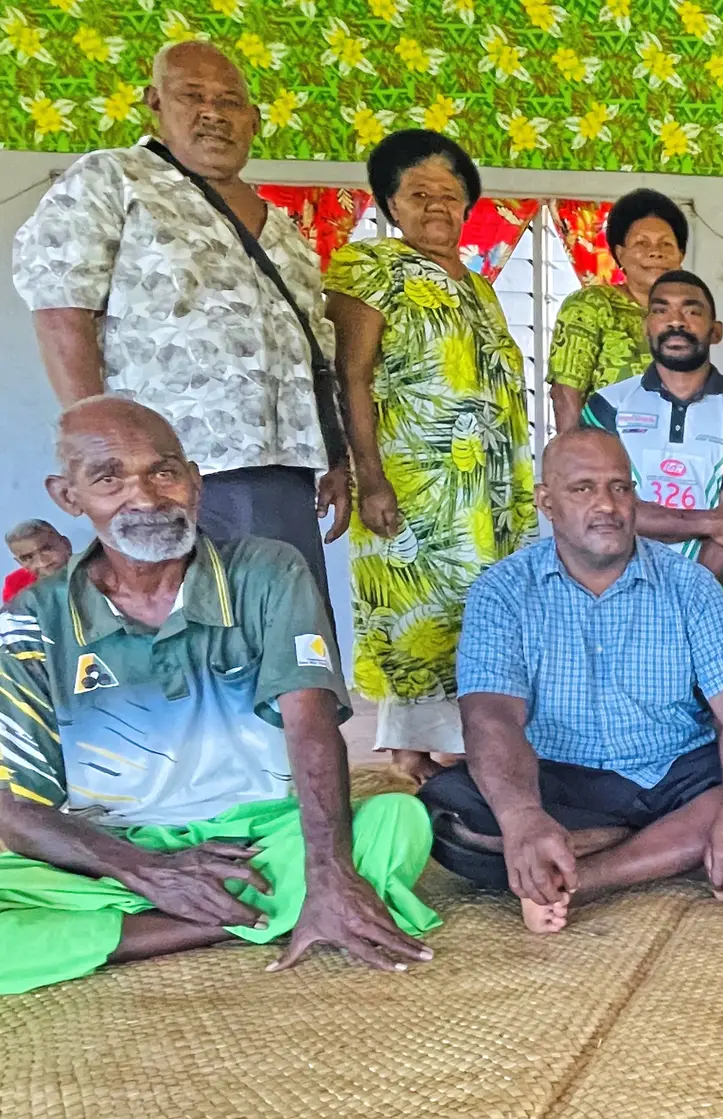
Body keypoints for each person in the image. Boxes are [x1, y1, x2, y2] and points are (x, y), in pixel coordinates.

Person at [0, 397, 438, 995]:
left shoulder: (266, 572)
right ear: (68, 497)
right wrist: (152, 872)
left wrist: (327, 868)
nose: (148, 498)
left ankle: (148, 929)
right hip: (116, 852)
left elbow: (311, 724)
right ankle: (232, 921)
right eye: (109, 479)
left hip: (260, 836)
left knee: (398, 820)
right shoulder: (31, 619)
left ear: (195, 482)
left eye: (163, 471)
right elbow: (15, 809)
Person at [418, 428, 723, 934]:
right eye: (583, 488)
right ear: (547, 502)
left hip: (679, 771)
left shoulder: (690, 584)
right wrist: (523, 814)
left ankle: (585, 874)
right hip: (562, 779)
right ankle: (671, 843)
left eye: (620, 487)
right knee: (448, 818)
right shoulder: (502, 590)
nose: (607, 505)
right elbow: (490, 717)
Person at [13, 42, 350, 599]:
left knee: (290, 630)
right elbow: (61, 310)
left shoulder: (284, 226)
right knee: (192, 630)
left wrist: (335, 458)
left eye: (230, 101)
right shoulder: (112, 179)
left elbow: (315, 349)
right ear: (155, 103)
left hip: (284, 471)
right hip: (167, 474)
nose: (213, 113)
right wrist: (102, 455)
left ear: (254, 120)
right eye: (192, 96)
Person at [325, 129, 537, 785]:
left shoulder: (480, 286)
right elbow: (350, 374)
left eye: (451, 195)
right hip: (415, 484)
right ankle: (413, 754)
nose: (438, 207)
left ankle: (477, 739)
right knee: (417, 616)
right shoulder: (367, 269)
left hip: (491, 490)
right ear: (390, 202)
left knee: (484, 611)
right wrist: (370, 476)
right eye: (419, 193)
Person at [580, 269, 723, 638]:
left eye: (691, 311)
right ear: (647, 326)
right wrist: (707, 520)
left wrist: (680, 607)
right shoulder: (606, 408)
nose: (676, 321)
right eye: (661, 310)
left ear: (715, 331)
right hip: (616, 599)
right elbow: (601, 511)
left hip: (719, 606)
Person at [548, 187, 689, 432]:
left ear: (680, 254)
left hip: (674, 459)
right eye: (641, 243)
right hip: (607, 457)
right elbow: (566, 392)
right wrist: (572, 458)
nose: (655, 252)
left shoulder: (689, 314)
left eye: (666, 244)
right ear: (619, 253)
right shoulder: (591, 305)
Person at [4, 520, 72, 603]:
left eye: (47, 549)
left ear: (66, 544)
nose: (42, 562)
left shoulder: (89, 570)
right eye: (28, 557)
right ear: (20, 563)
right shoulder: (16, 584)